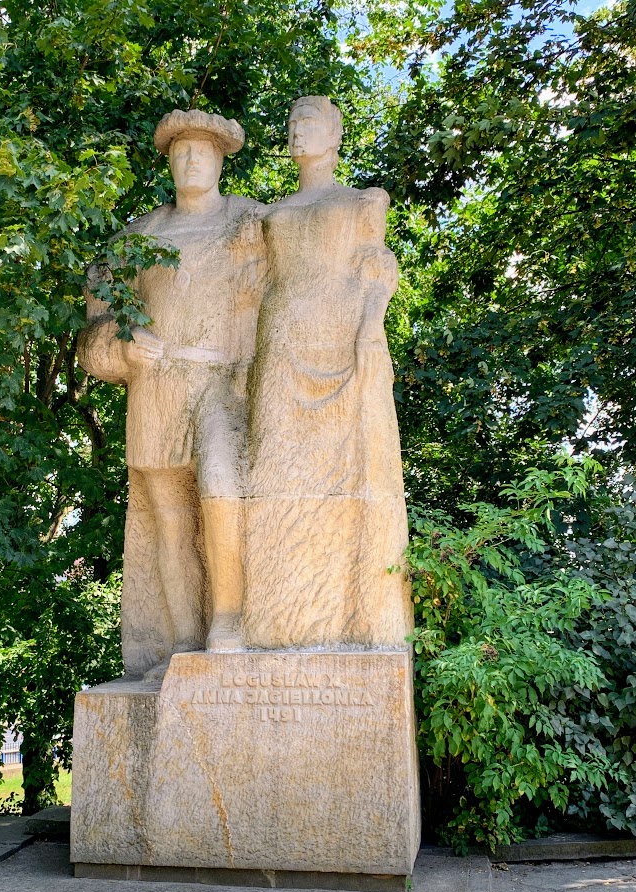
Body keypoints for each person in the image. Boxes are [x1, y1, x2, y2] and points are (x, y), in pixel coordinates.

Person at [79, 109, 265, 675]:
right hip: (157, 388)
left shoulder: (251, 223)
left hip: (226, 384)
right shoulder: (135, 239)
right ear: (168, 162)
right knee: (171, 519)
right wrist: (122, 344)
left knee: (222, 490)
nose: (191, 160)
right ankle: (184, 641)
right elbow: (95, 327)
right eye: (181, 151)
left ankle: (228, 619)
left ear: (221, 161)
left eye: (202, 151)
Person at [244, 95, 413, 649]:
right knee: (273, 479)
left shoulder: (363, 203)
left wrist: (370, 329)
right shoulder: (269, 214)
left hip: (341, 343)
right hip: (281, 346)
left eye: (310, 123)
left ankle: (346, 619)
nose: (298, 132)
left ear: (336, 135)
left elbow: (377, 274)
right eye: (292, 124)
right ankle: (277, 622)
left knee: (347, 479)